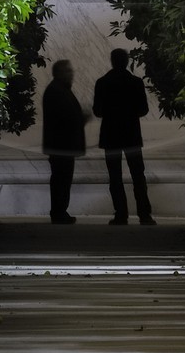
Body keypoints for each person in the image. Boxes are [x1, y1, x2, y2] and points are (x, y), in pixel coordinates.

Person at [93, 49, 155, 225]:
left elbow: (97, 111)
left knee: (115, 176)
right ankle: (144, 214)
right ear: (127, 62)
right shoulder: (135, 83)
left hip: (111, 135)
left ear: (112, 61)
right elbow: (143, 109)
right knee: (138, 175)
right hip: (131, 135)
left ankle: (121, 213)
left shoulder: (102, 83)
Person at [41, 58, 89, 224]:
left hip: (61, 145)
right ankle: (59, 212)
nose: (72, 74)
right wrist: (81, 118)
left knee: (62, 180)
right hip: (61, 146)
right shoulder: (57, 91)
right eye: (68, 71)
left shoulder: (59, 89)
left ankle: (60, 211)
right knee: (61, 180)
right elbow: (64, 118)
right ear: (60, 73)